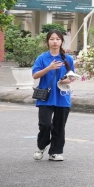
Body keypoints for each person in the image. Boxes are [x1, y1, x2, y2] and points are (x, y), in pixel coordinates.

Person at [32, 31, 76, 162]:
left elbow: (72, 76)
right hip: (46, 96)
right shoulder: (42, 58)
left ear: (62, 41)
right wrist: (49, 68)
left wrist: (68, 80)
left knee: (59, 126)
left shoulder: (67, 59)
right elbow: (35, 75)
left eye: (57, 39)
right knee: (45, 124)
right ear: (48, 41)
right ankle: (41, 147)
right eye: (52, 39)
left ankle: (55, 152)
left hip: (62, 96)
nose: (55, 41)